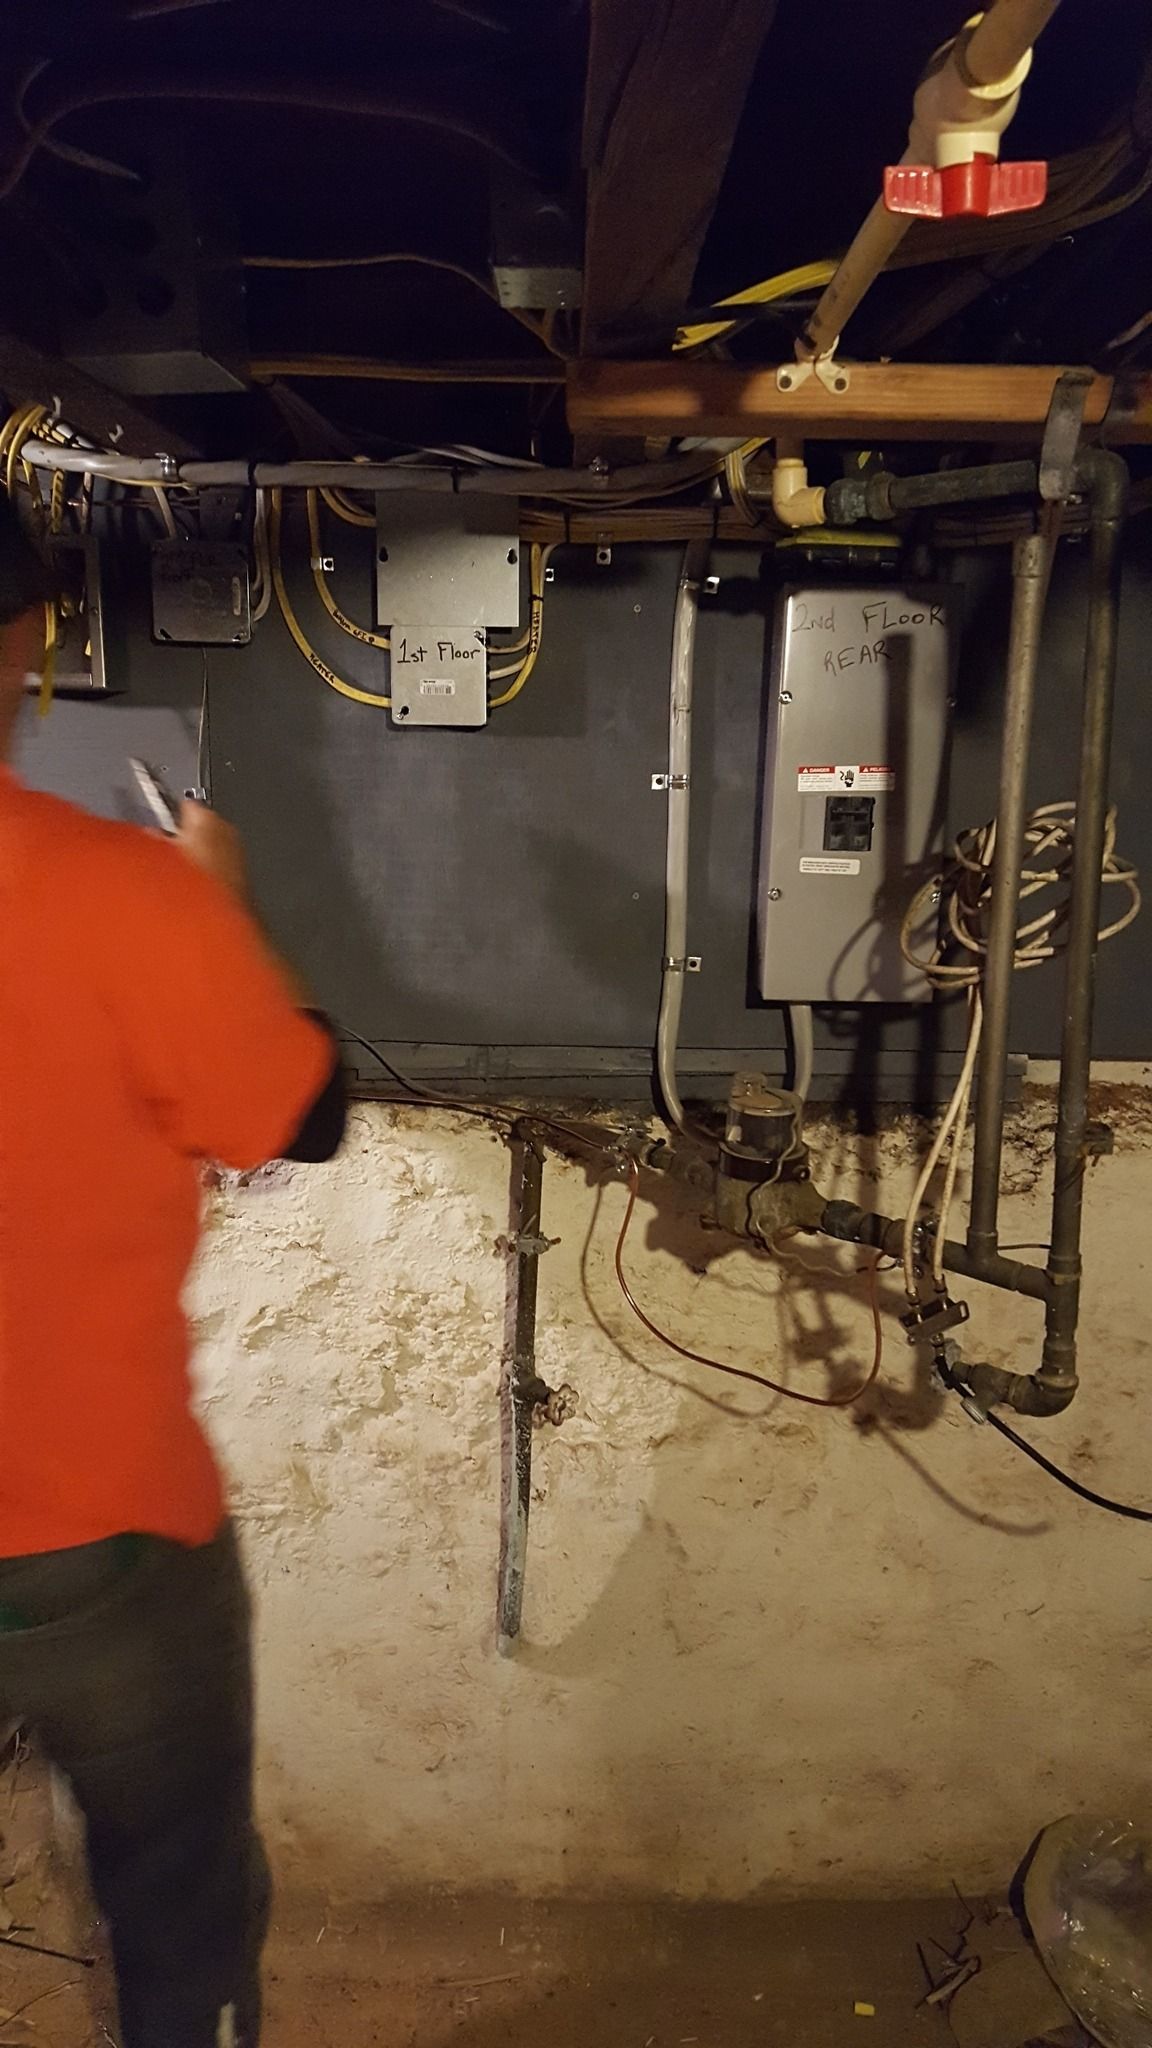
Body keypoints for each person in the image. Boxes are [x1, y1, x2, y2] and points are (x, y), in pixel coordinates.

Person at [0, 491, 346, 2048]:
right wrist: (218, 917)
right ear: (30, 646)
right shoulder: (122, 896)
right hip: (108, 1543)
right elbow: (292, 1111)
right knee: (180, 1901)